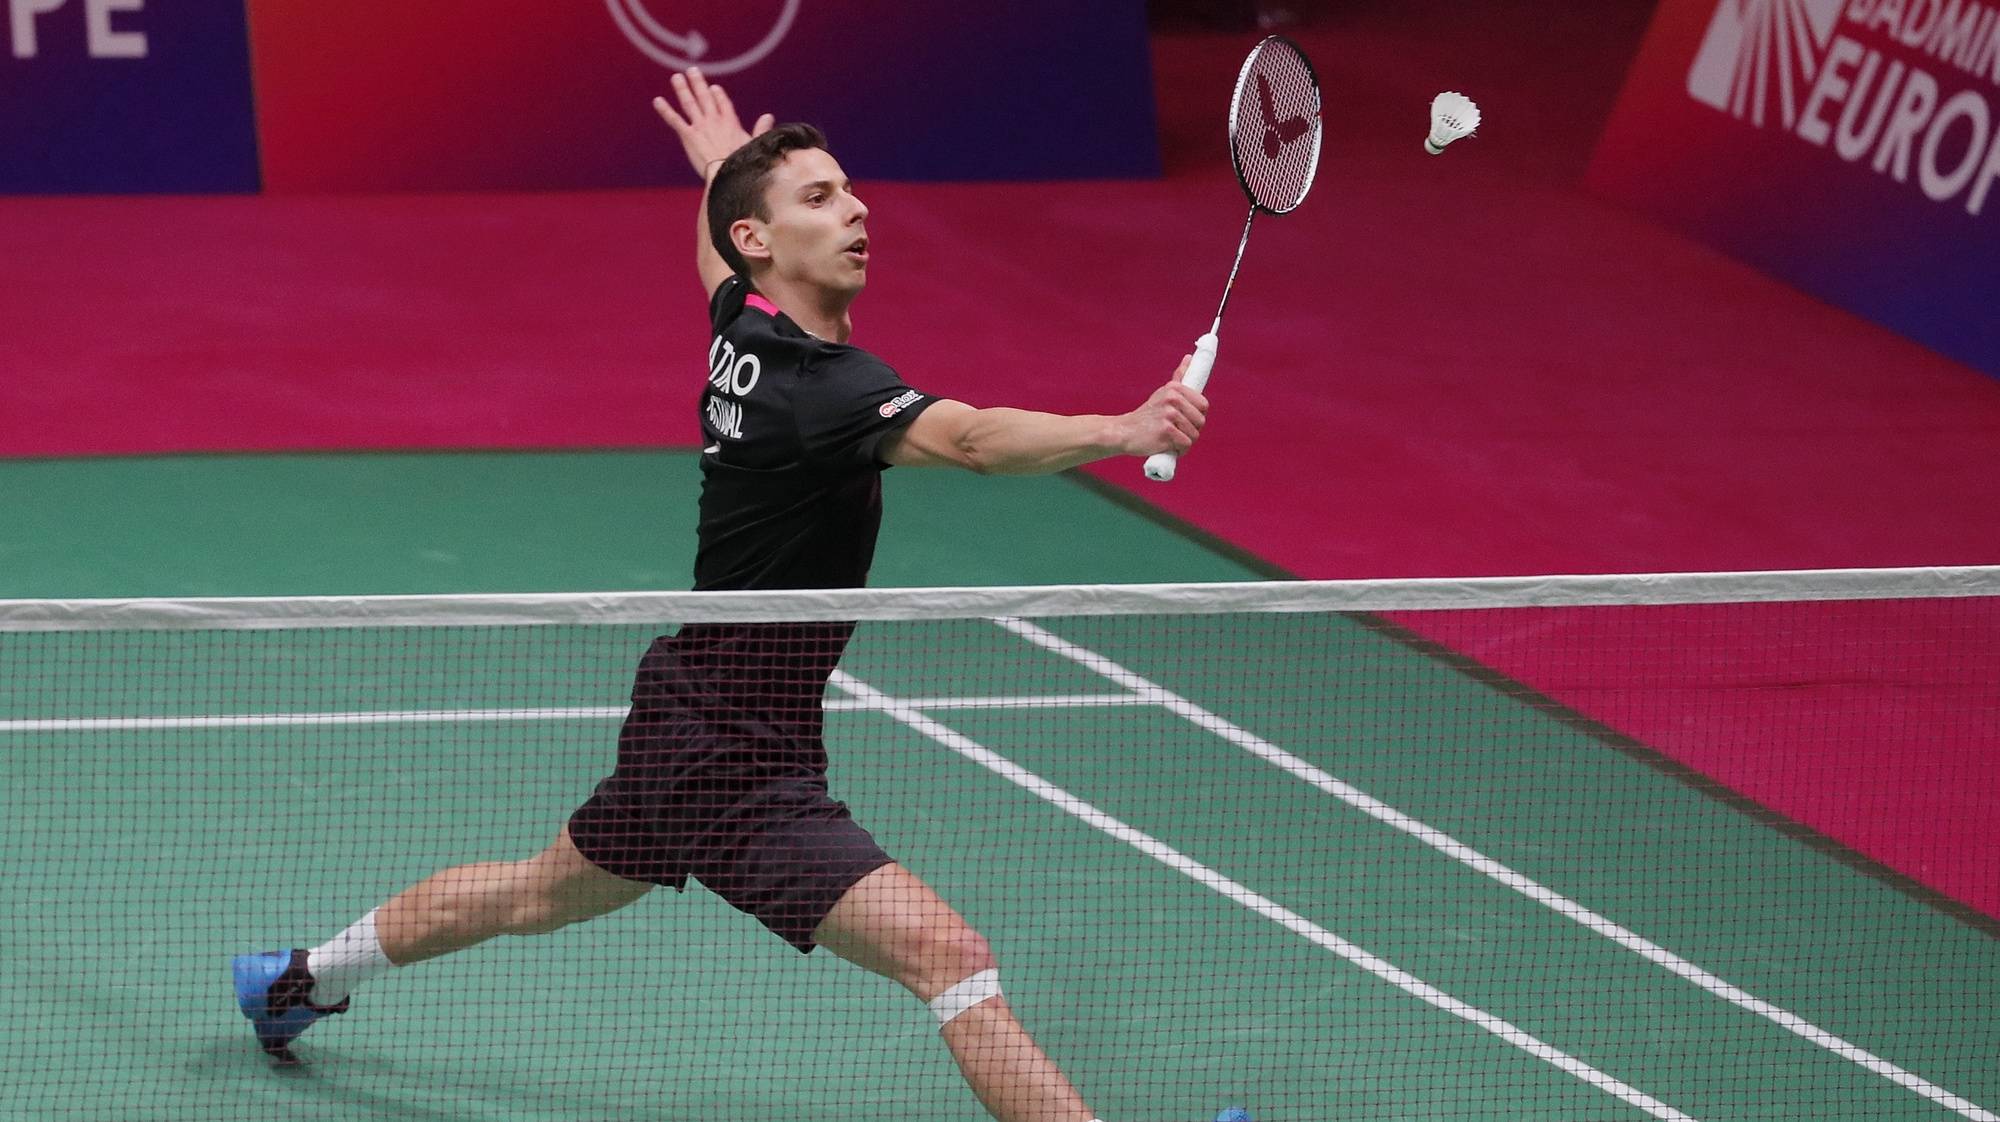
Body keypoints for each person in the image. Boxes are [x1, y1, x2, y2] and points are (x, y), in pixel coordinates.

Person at [232, 68, 1213, 1122]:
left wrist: (717, 174)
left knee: (532, 893)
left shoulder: (745, 334)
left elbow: (714, 258)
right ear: (763, 239)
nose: (857, 208)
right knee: (945, 954)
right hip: (732, 757)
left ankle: (294, 979)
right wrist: (1118, 429)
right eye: (819, 198)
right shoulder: (820, 391)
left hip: (693, 718)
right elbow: (971, 440)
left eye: (846, 190)